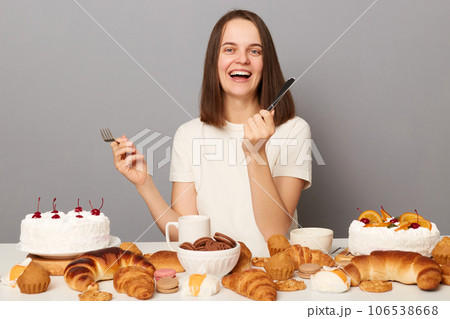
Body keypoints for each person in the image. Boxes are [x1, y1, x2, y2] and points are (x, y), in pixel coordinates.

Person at [111, 9, 311, 255]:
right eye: (229, 49)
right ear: (214, 61)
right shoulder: (188, 135)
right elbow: (187, 236)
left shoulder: (294, 130)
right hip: (211, 273)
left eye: (254, 50)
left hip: (271, 272)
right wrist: (145, 185)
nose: (242, 59)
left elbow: (275, 233)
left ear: (265, 63)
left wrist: (255, 153)